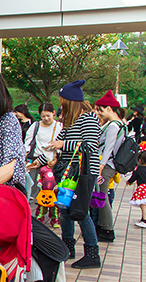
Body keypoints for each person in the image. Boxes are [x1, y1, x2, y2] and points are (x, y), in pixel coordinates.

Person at [43, 80, 102, 269]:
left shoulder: (88, 119)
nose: (60, 104)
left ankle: (92, 254)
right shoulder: (71, 120)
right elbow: (57, 144)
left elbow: (91, 147)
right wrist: (41, 160)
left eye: (62, 100)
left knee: (80, 211)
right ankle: (67, 247)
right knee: (65, 209)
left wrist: (63, 145)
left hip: (84, 173)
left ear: (71, 101)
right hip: (69, 172)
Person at [94, 91, 126, 242]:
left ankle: (107, 229)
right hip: (109, 165)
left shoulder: (113, 125)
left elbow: (108, 148)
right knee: (102, 196)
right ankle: (103, 227)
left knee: (102, 197)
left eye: (101, 110)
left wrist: (101, 165)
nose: (99, 113)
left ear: (109, 108)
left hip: (106, 166)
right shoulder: (120, 124)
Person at [25, 103, 62, 200]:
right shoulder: (36, 125)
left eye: (48, 116)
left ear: (53, 113)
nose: (46, 118)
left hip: (52, 162)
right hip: (36, 162)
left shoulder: (59, 126)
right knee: (34, 191)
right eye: (43, 116)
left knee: (50, 191)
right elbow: (28, 143)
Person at [128, 151, 146, 228]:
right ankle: (143, 219)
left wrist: (129, 182)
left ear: (139, 160)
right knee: (143, 205)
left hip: (142, 189)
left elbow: (133, 177)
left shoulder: (138, 169)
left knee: (143, 206)